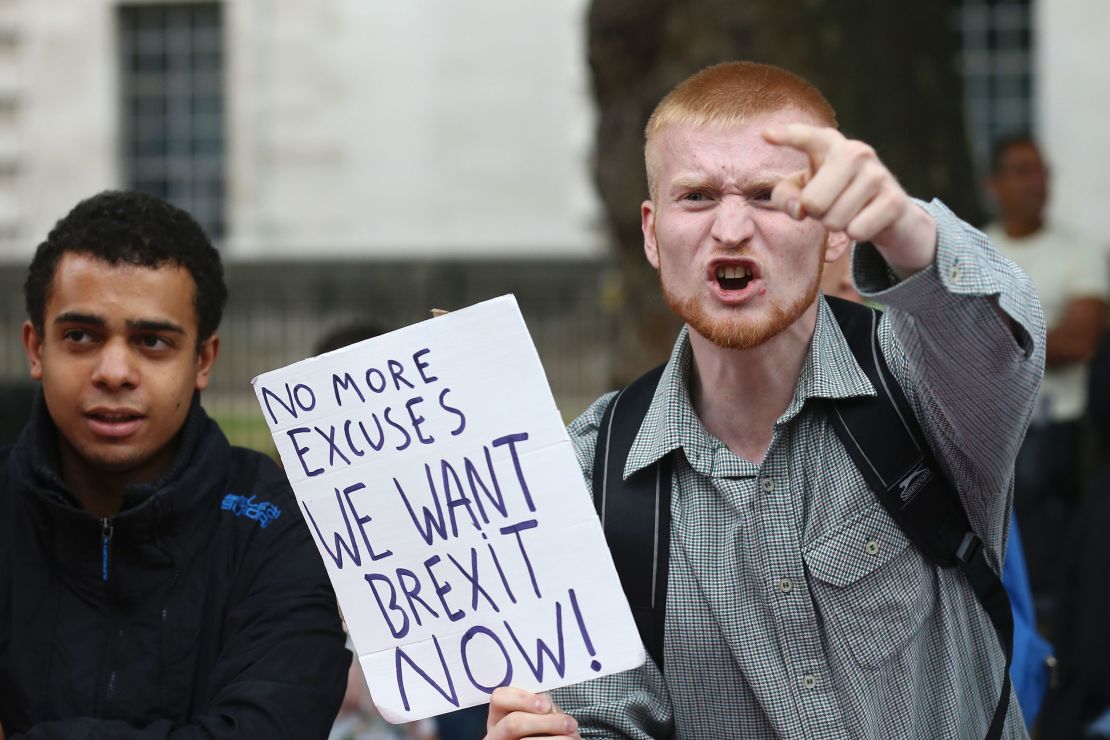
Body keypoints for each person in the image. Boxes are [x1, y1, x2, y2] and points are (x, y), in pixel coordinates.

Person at [484, 61, 1044, 739]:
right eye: (695, 197)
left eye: (768, 195)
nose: (730, 228)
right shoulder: (591, 472)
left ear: (838, 230)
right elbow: (606, 716)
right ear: (651, 232)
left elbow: (997, 340)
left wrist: (906, 230)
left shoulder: (915, 385)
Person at [0, 190, 350, 738]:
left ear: (203, 360)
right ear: (36, 349)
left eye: (152, 342)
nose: (114, 371)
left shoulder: (280, 526)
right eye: (80, 336)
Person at [984, 135, 1108, 622]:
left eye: (1039, 170)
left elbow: (1080, 342)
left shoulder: (1080, 253)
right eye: (1019, 170)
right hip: (990, 436)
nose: (1035, 182)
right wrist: (1037, 330)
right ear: (992, 184)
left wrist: (990, 328)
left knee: (1054, 578)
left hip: (1060, 441)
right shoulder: (973, 250)